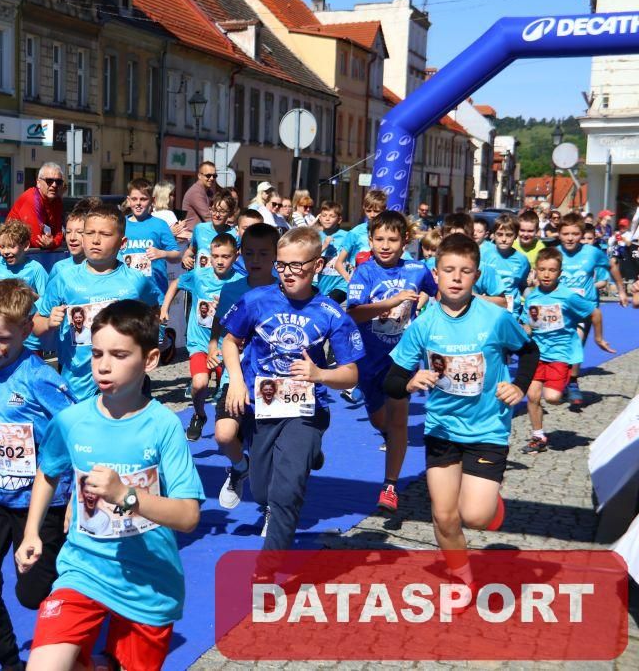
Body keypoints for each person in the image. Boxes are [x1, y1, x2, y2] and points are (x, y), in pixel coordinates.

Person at [15, 300, 203, 671]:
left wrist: (126, 495)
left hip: (148, 581)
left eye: (119, 355)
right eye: (97, 353)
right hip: (82, 569)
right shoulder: (71, 421)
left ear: (150, 360)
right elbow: (48, 472)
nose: (103, 365)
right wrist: (31, 531)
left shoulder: (163, 426)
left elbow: (188, 516)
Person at [385, 233, 539, 598]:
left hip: (487, 428)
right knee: (443, 516)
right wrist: (410, 383)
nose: (456, 278)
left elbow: (529, 351)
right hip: (442, 429)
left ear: (476, 276)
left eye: (465, 271)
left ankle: (490, 505)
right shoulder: (424, 325)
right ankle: (462, 578)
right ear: (435, 274)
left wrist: (518, 386)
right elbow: (391, 381)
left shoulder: (496, 317)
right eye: (449, 270)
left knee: (475, 517)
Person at [0, 279, 76, 671]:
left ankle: (81, 608)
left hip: (40, 502)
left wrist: (76, 497)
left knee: (31, 594)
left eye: (2, 338)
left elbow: (76, 434)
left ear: (25, 330)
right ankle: (8, 661)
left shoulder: (40, 378)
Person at [221, 227, 364, 546]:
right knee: (262, 490)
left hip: (306, 408)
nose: (287, 272)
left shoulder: (331, 313)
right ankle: (305, 457)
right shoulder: (256, 300)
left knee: (284, 492)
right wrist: (236, 382)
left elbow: (351, 374)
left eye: (296, 265)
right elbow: (230, 341)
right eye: (282, 264)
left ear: (318, 265)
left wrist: (319, 374)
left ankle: (272, 562)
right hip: (262, 404)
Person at [346, 211, 437, 513]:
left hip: (402, 359)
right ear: (370, 240)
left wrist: (428, 309)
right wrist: (391, 303)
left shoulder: (417, 269)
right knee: (379, 420)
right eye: (379, 239)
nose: (385, 245)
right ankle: (391, 438)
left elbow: (436, 293)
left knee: (398, 421)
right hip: (368, 358)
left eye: (392, 240)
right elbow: (354, 313)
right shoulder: (364, 273)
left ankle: (390, 486)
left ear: (405, 241)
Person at [35, 204, 161, 400]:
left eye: (105, 234)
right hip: (78, 384)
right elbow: (36, 323)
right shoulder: (65, 279)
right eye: (89, 233)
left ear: (122, 243)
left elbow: (153, 310)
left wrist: (151, 340)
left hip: (126, 382)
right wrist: (49, 323)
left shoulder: (136, 280)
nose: (95, 240)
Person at [210, 223, 280, 509]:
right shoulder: (232, 289)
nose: (255, 260)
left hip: (273, 381)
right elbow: (220, 323)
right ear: (240, 254)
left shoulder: (284, 289)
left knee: (267, 449)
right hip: (236, 377)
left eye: (263, 254)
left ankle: (272, 507)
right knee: (224, 435)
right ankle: (240, 467)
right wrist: (213, 345)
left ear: (276, 255)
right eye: (249, 253)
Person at [161, 233, 244, 442]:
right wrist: (164, 308)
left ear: (236, 256)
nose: (220, 261)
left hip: (227, 347)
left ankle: (232, 427)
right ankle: (199, 415)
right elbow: (177, 283)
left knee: (228, 391)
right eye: (215, 256)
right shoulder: (199, 275)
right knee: (199, 384)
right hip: (199, 343)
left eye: (226, 256)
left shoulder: (240, 282)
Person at [519, 248, 596, 453]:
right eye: (542, 269)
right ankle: (538, 437)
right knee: (532, 396)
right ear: (536, 271)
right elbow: (529, 324)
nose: (546, 274)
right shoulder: (532, 297)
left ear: (559, 273)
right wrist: (521, 331)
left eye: (552, 270)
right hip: (537, 354)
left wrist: (598, 337)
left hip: (560, 355)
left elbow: (593, 312)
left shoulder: (568, 296)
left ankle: (568, 383)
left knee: (552, 398)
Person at [555, 212, 627, 406]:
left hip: (585, 307)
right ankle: (562, 378)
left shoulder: (592, 253)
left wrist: (621, 290)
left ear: (581, 234)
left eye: (575, 234)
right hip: (560, 309)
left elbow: (612, 266)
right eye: (566, 234)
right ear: (559, 234)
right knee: (561, 347)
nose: (570, 238)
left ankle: (572, 382)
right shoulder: (555, 253)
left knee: (576, 342)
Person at [0, 219, 48, 354]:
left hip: (29, 336)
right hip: (5, 332)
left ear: (25, 246)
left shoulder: (36, 269)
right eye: (2, 247)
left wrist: (31, 294)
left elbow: (46, 303)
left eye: (11, 246)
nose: (6, 251)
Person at [121, 178, 182, 296]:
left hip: (155, 294)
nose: (138, 203)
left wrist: (162, 253)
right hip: (127, 292)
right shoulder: (120, 224)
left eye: (143, 199)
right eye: (134, 199)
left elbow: (177, 255)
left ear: (152, 201)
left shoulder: (160, 225)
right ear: (128, 200)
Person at [6, 162, 66, 250]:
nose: (54, 185)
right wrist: (53, 242)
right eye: (49, 181)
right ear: (38, 182)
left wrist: (53, 242)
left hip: (31, 253)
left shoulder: (57, 201)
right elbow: (37, 240)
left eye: (58, 182)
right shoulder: (30, 198)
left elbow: (59, 234)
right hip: (7, 252)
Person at [332, 189, 387, 276]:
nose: (372, 215)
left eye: (376, 211)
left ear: (384, 210)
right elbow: (338, 263)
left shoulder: (389, 231)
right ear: (364, 209)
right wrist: (349, 279)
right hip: (360, 278)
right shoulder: (356, 232)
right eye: (368, 211)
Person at [182, 190, 239, 270]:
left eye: (222, 211)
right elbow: (191, 250)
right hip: (200, 277)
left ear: (230, 213)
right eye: (214, 210)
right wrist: (186, 258)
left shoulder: (235, 234)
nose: (217, 215)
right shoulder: (200, 229)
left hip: (223, 277)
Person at [490, 215, 531, 316]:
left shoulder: (522, 260)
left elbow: (522, 286)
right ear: (493, 235)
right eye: (500, 234)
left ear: (516, 236)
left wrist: (534, 299)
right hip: (490, 310)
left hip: (512, 313)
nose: (504, 239)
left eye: (509, 235)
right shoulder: (484, 256)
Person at [314, 200, 349, 304]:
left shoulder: (347, 236)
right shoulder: (315, 236)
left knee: (329, 304)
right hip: (321, 282)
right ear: (320, 218)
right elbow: (309, 258)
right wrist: (324, 246)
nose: (327, 219)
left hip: (341, 284)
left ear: (339, 219)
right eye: (324, 215)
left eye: (332, 216)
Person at [181, 161, 219, 238]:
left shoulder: (209, 192)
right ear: (199, 176)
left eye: (214, 176)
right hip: (191, 236)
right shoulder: (196, 192)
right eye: (208, 175)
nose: (211, 178)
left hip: (202, 234)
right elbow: (207, 217)